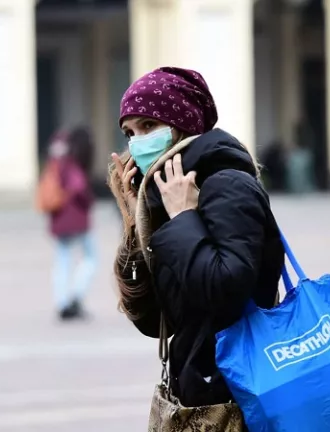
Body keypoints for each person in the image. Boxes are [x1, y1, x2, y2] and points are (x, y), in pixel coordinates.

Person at [108, 67, 283, 410]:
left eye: (148, 126)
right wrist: (135, 219)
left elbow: (227, 287)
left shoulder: (227, 184)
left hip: (239, 389)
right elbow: (153, 320)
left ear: (181, 126)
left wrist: (185, 219)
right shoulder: (166, 196)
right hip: (200, 388)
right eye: (130, 132)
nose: (138, 142)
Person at [44, 128, 97, 320]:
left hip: (59, 219)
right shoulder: (72, 164)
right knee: (91, 256)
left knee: (62, 260)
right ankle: (75, 295)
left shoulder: (54, 163)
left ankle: (62, 301)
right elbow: (79, 188)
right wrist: (89, 200)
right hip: (76, 219)